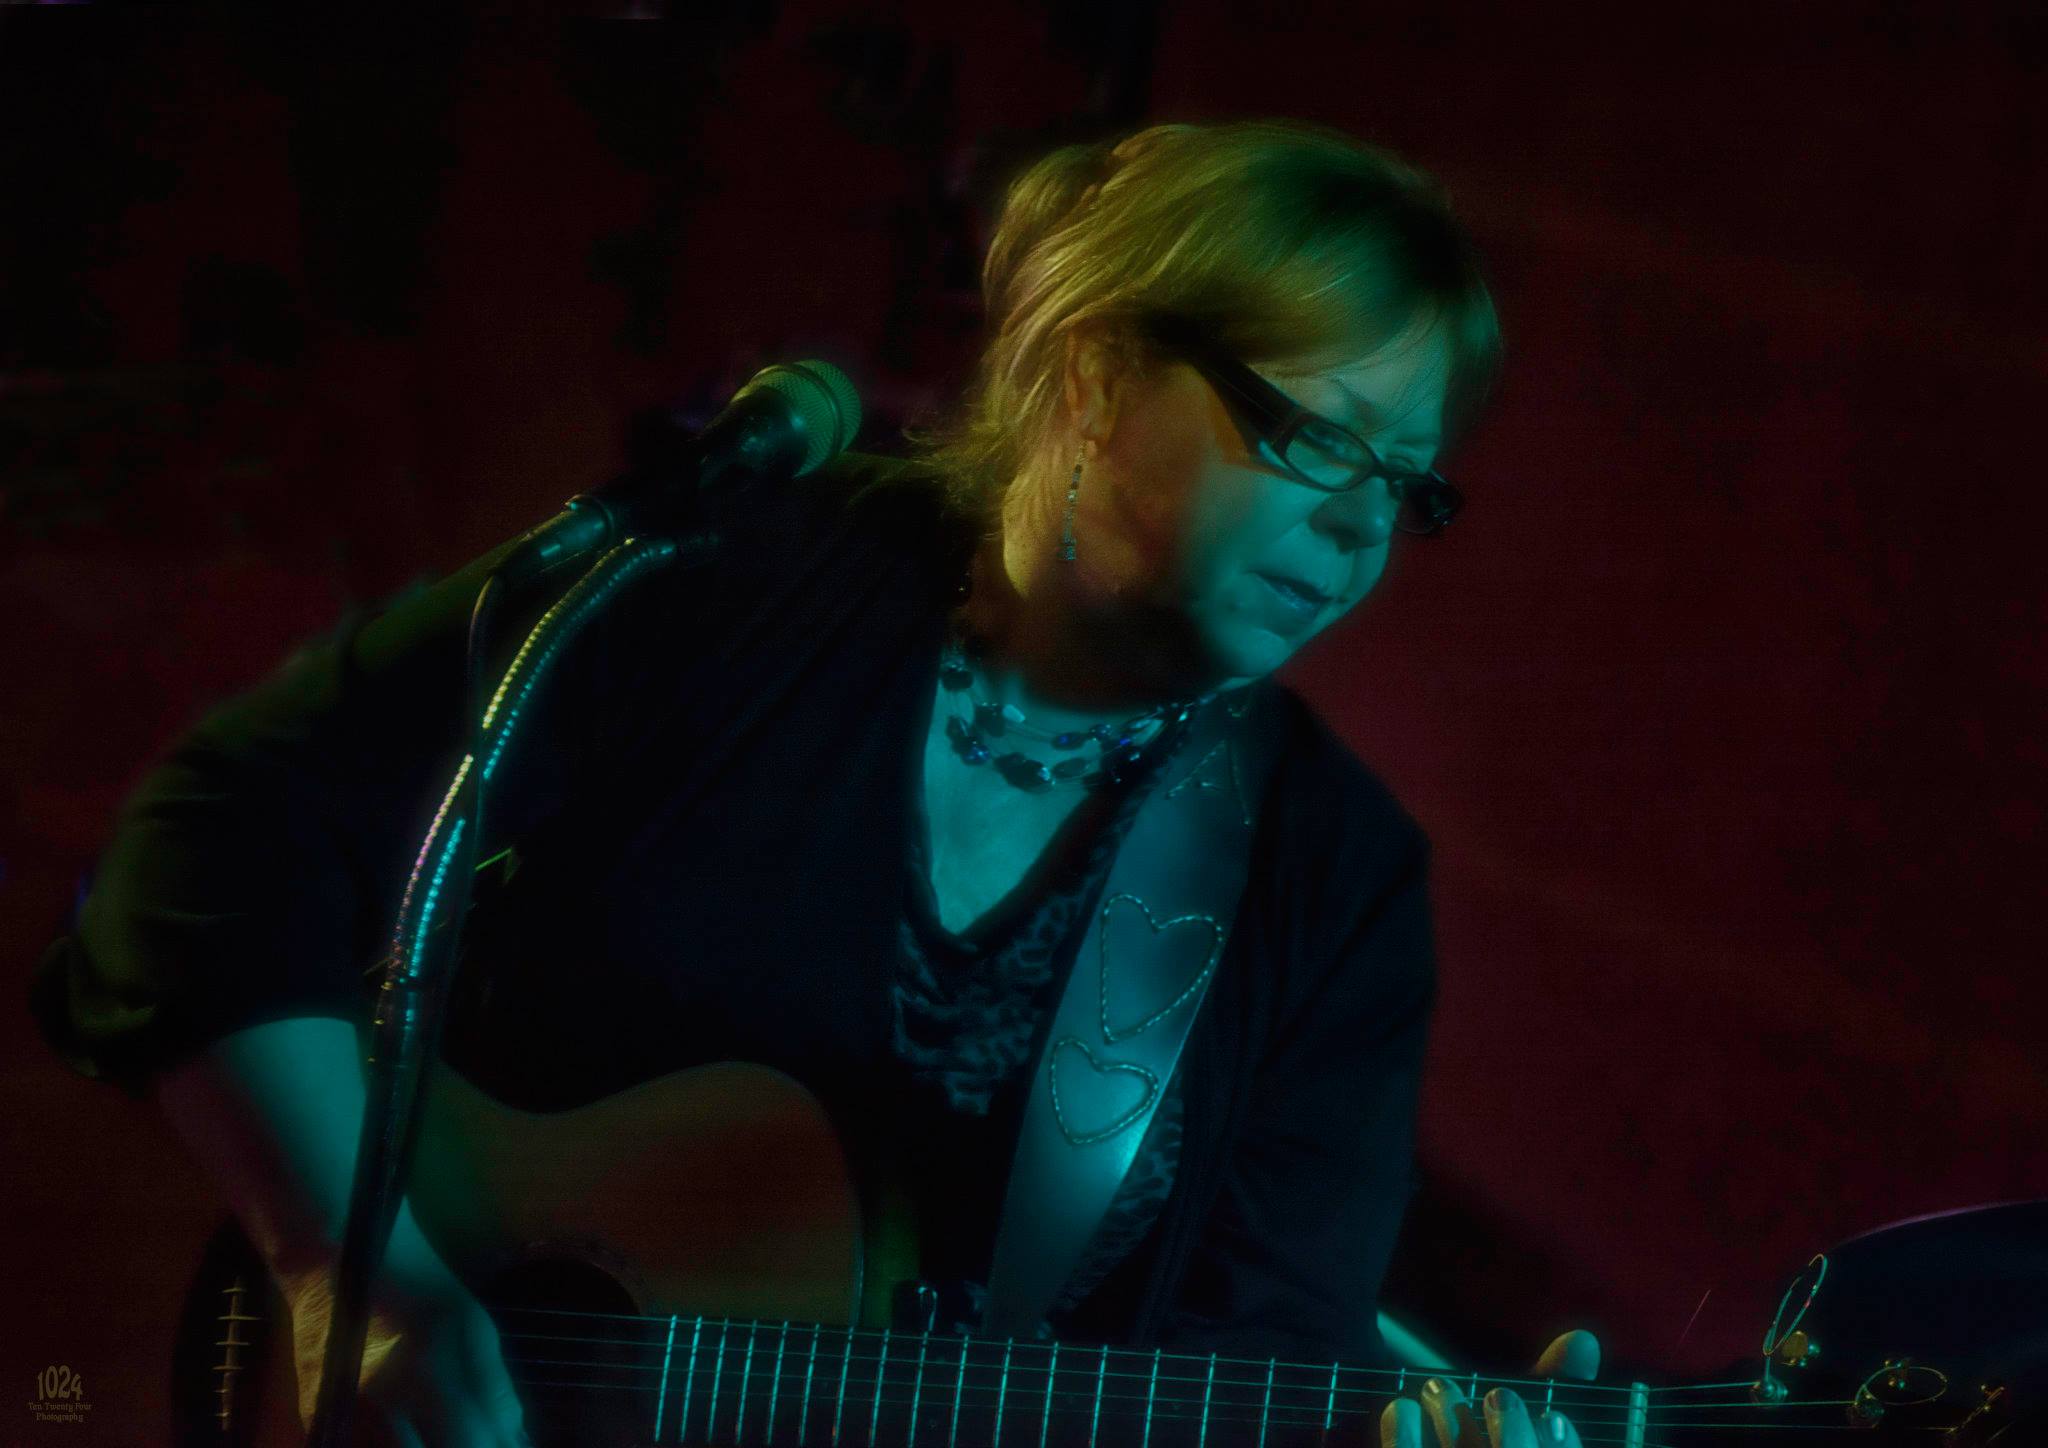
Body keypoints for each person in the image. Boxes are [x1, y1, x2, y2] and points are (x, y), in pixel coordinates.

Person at [31, 118, 1597, 1448]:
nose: (1360, 533)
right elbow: (220, 833)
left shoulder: (1330, 883)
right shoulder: (738, 582)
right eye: (1318, 440)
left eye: (1408, 486)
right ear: (1104, 375)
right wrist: (356, 1275)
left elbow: (1260, 1363)